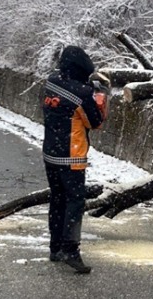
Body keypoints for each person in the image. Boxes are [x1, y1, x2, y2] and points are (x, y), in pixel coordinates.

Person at [40, 45, 109, 274]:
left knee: (58, 199)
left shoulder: (52, 81)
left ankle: (55, 247)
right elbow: (96, 121)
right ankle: (71, 249)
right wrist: (99, 96)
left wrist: (86, 87)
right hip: (71, 156)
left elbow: (67, 92)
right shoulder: (81, 94)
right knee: (75, 202)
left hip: (50, 152)